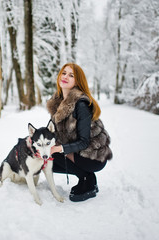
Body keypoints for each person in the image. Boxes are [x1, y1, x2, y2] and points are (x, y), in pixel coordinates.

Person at [47, 63, 113, 202]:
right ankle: (86, 177)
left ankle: (86, 178)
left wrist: (59, 148)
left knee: (53, 152)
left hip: (93, 156)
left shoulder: (81, 104)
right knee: (44, 156)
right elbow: (52, 132)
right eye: (64, 73)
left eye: (71, 75)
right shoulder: (57, 102)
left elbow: (85, 142)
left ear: (77, 82)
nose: (65, 77)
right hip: (76, 152)